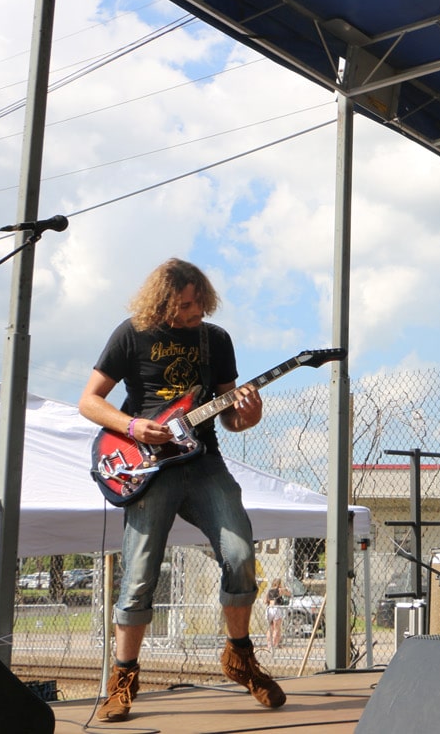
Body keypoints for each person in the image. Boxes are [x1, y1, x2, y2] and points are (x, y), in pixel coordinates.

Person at [80, 258, 285, 721]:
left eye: (200, 304)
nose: (196, 313)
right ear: (162, 301)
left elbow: (230, 418)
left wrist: (249, 415)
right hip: (147, 465)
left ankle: (240, 657)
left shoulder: (216, 340)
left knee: (240, 554)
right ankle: (123, 678)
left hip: (204, 462)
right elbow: (89, 401)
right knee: (139, 574)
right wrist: (132, 426)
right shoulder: (130, 334)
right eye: (186, 305)